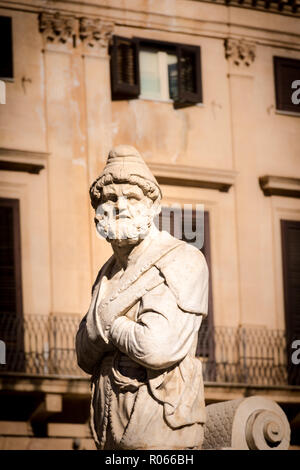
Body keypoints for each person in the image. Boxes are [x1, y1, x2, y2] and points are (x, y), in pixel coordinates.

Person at [76, 145, 209, 450]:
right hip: (108, 429)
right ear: (99, 213)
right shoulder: (107, 274)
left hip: (161, 424)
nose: (120, 206)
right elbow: (83, 353)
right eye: (110, 199)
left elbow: (156, 346)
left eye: (132, 197)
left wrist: (108, 325)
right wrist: (114, 326)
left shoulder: (182, 259)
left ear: (153, 207)